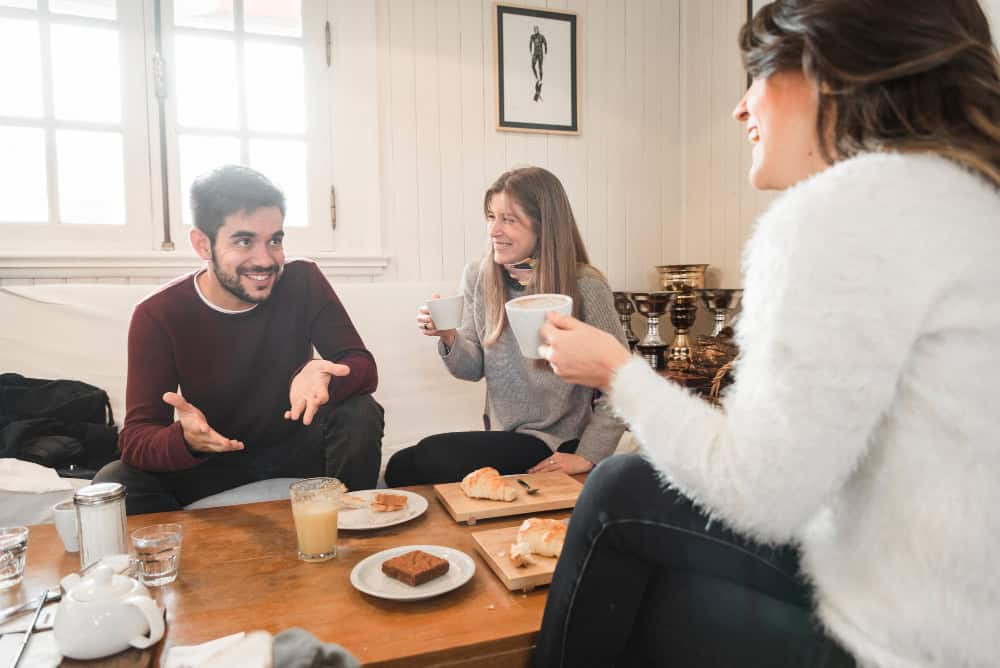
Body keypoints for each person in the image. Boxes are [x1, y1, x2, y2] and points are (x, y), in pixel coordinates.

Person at [533, 0, 1000, 666]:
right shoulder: (973, 198)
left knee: (615, 493)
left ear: (827, 71)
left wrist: (616, 370)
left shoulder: (842, 211)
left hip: (897, 643)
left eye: (755, 73)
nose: (740, 108)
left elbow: (760, 492)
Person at [94, 166, 384, 514]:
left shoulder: (302, 280)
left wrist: (322, 372)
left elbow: (363, 366)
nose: (265, 260)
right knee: (116, 481)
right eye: (244, 241)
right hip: (216, 456)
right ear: (203, 244)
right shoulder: (158, 313)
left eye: (274, 240)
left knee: (360, 412)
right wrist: (184, 440)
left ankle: (352, 535)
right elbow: (136, 438)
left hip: (299, 447)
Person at [383, 167, 627, 486]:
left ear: (544, 226)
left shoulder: (584, 286)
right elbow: (471, 368)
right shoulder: (480, 277)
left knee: (429, 455)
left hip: (556, 442)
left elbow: (623, 380)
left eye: (509, 219)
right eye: (490, 216)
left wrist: (589, 454)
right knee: (401, 466)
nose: (494, 230)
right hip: (506, 439)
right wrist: (448, 335)